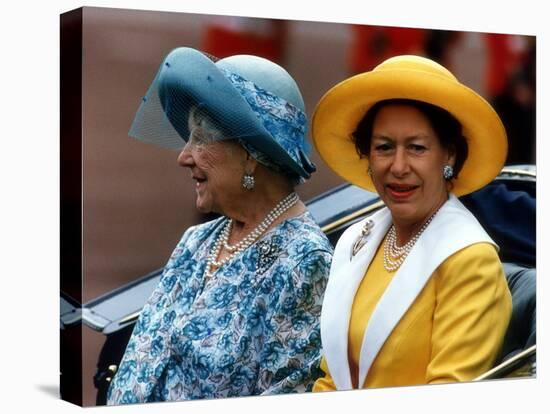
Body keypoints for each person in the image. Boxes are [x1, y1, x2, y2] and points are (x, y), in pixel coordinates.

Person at [107, 47, 333, 404]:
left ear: (250, 154)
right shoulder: (196, 240)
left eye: (201, 138)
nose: (184, 156)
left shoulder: (304, 262)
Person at [311, 55, 512, 391]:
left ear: (448, 155)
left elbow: (447, 395)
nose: (399, 166)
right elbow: (332, 380)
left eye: (417, 148)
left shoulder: (469, 260)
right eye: (384, 147)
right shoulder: (354, 240)